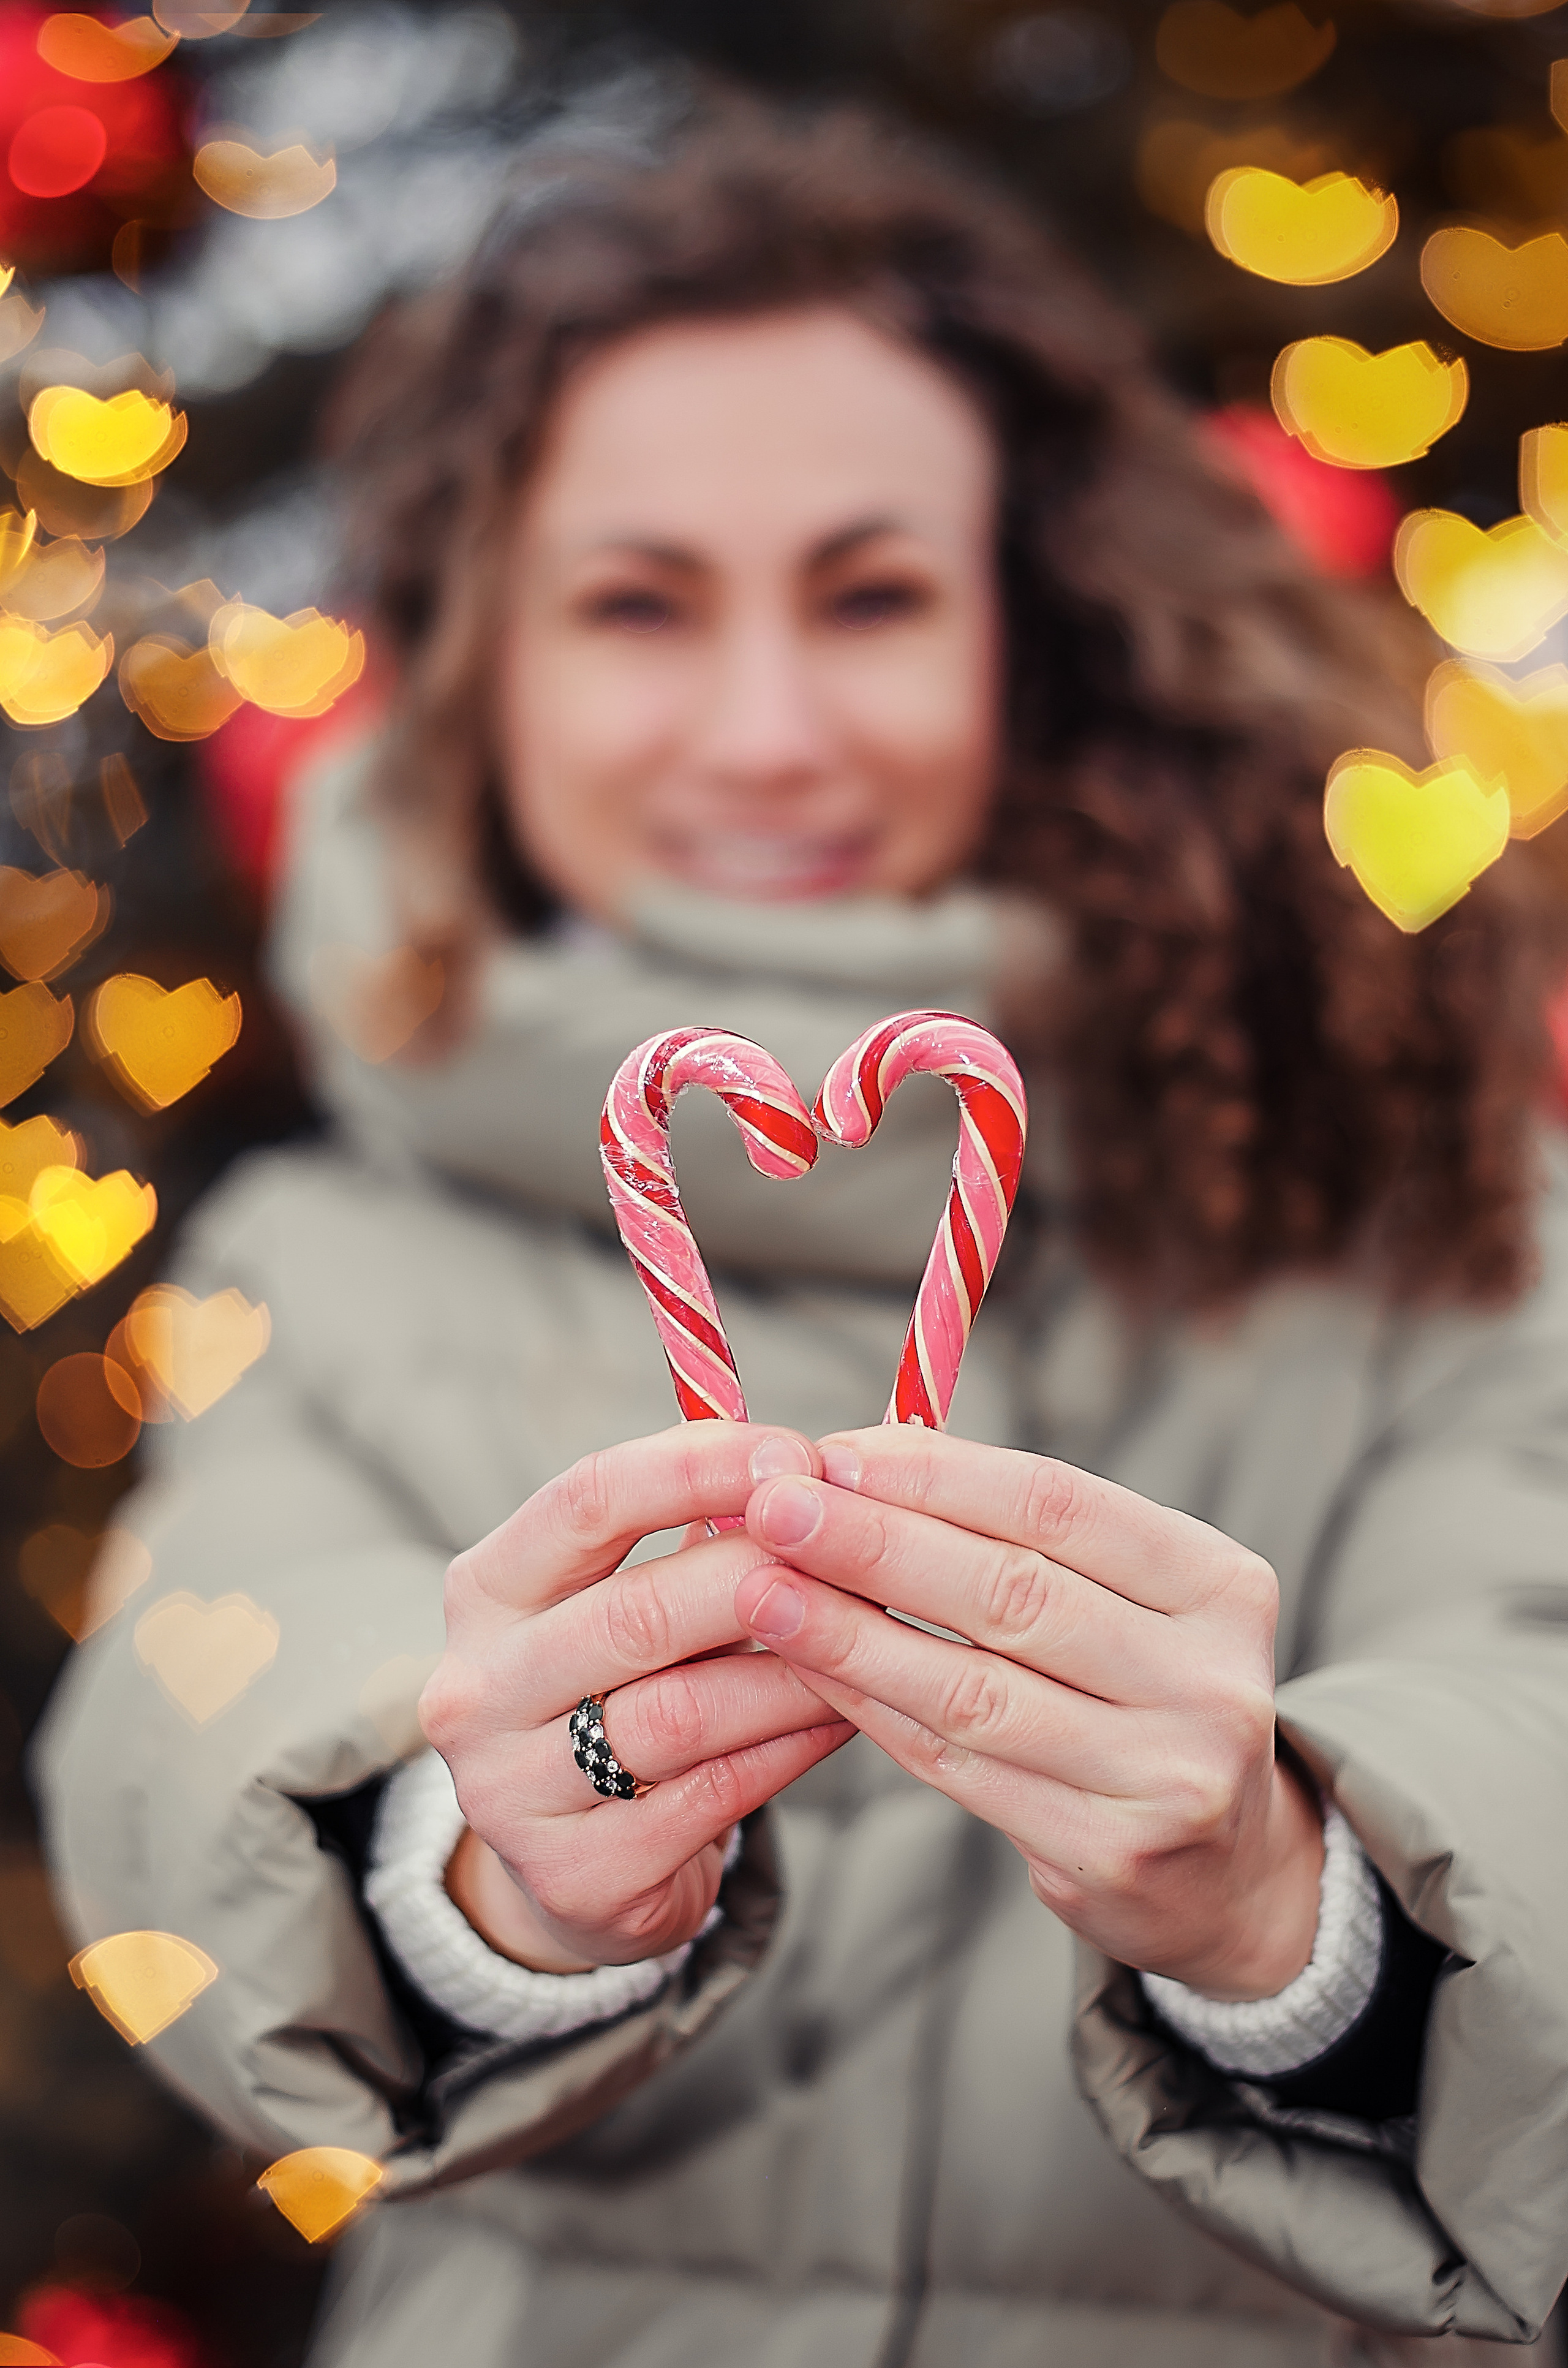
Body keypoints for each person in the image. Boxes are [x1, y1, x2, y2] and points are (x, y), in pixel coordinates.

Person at [35, 77, 1568, 2368]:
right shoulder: (337, 1250)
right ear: (485, 666)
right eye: (639, 607)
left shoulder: (1436, 1194)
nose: (765, 732)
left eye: (871, 595)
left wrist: (1294, 1890)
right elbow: (197, 1723)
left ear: (1028, 635)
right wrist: (484, 1857)